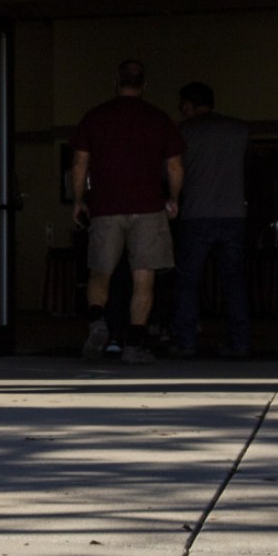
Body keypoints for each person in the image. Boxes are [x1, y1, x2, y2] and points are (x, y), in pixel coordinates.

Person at [71, 59, 185, 364]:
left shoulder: (96, 117)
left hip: (106, 207)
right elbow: (174, 165)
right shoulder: (159, 119)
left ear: (116, 81)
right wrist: (173, 197)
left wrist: (79, 199)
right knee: (143, 277)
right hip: (148, 207)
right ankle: (135, 344)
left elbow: (80, 163)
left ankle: (98, 324)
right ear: (143, 84)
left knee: (100, 272)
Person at [171, 82, 252, 358]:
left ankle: (186, 341)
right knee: (234, 281)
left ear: (190, 105)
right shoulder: (240, 130)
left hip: (196, 215)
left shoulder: (184, 133)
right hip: (233, 214)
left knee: (188, 281)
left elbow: (172, 172)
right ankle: (240, 341)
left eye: (183, 106)